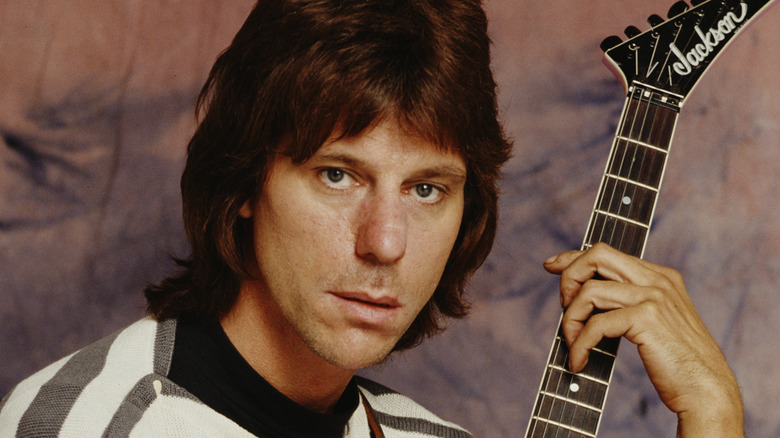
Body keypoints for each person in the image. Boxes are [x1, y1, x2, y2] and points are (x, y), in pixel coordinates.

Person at [0, 0, 742, 437]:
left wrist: (711, 413)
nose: (385, 242)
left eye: (427, 190)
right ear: (246, 179)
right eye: (336, 174)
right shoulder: (89, 423)